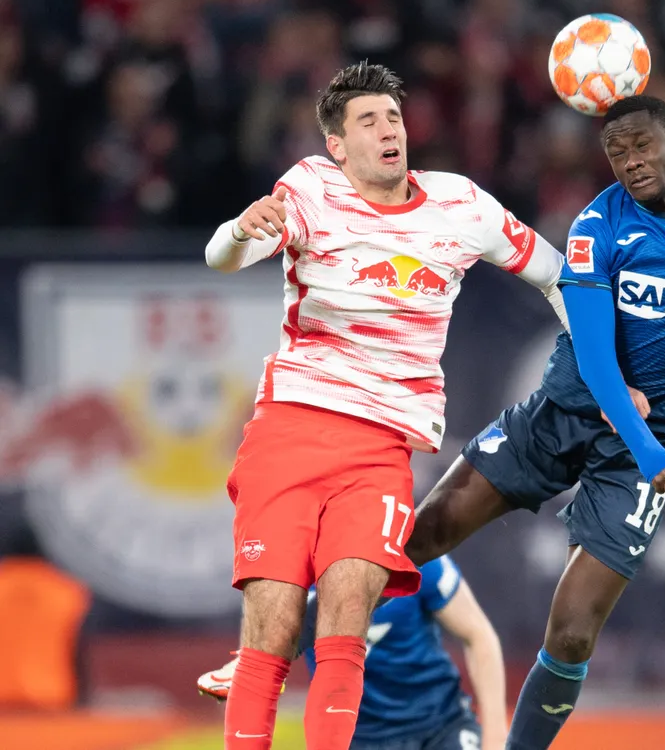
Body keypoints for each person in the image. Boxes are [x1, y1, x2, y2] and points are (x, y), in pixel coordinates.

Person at [399, 94, 665, 750]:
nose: (631, 162)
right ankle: (285, 651)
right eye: (617, 153)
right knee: (419, 537)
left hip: (650, 450)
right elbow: (593, 354)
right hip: (562, 415)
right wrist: (645, 450)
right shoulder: (596, 225)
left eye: (642, 145)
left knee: (575, 631)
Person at [203, 61, 567, 750]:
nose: (387, 130)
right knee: (275, 626)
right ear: (338, 146)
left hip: (380, 450)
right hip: (291, 430)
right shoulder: (310, 188)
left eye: (393, 117)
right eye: (368, 121)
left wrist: (608, 377)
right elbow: (224, 257)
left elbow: (559, 277)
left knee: (346, 620)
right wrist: (238, 230)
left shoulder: (463, 207)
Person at [199, 556, 507, 750]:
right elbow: (252, 673)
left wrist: (495, 740)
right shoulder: (287, 575)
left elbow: (480, 636)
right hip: (352, 738)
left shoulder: (415, 552)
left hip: (441, 727)